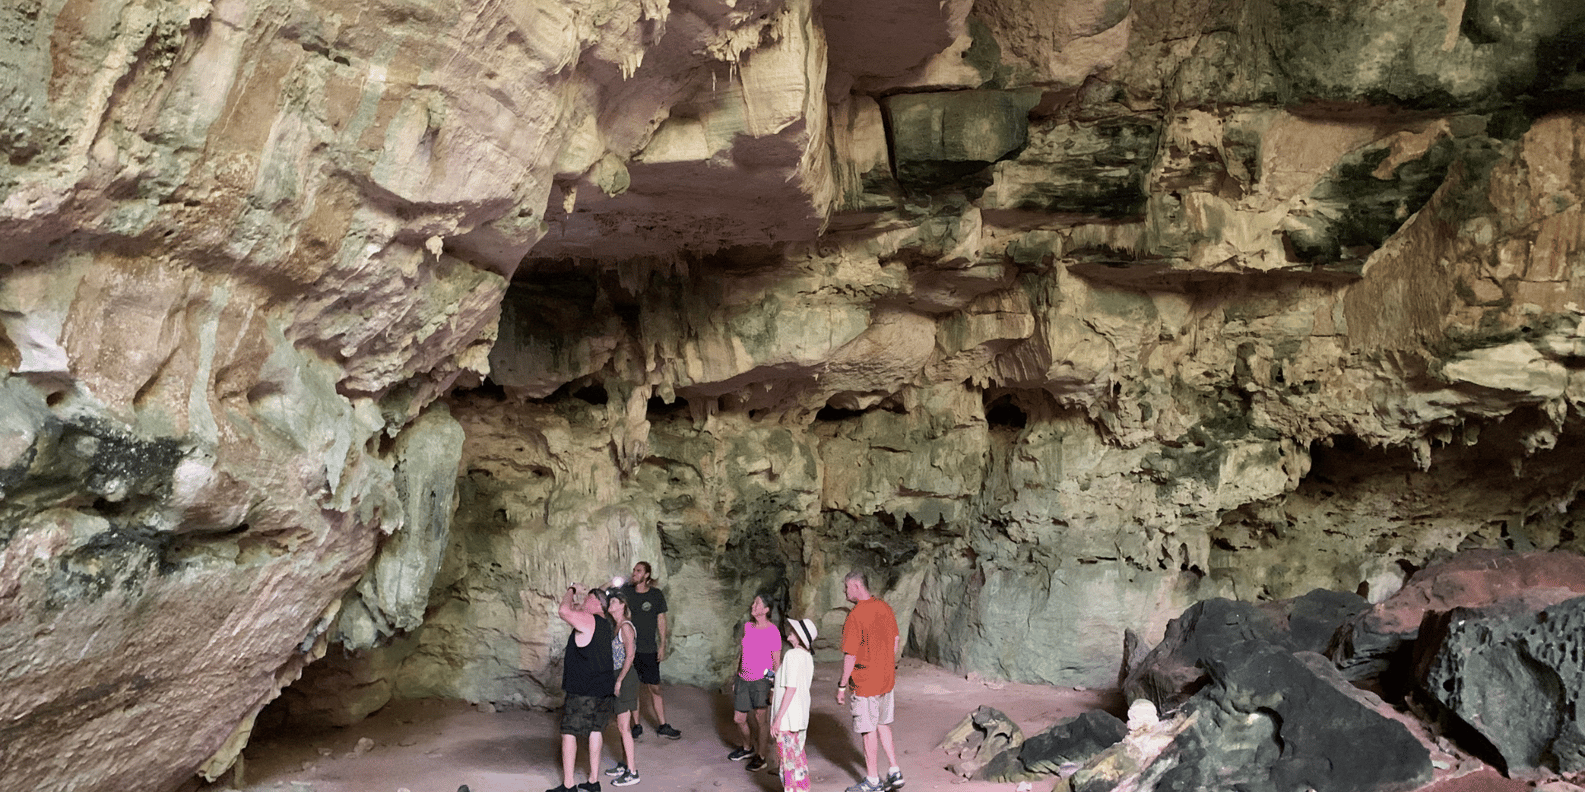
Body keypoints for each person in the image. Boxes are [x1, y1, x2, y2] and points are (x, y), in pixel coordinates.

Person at [836, 570, 904, 792]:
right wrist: (885, 665)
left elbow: (850, 655)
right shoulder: (884, 607)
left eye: (846, 587)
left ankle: (873, 781)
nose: (845, 591)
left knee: (868, 731)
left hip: (865, 683)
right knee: (883, 724)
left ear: (856, 586)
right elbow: (895, 641)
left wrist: (842, 686)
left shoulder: (855, 616)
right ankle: (894, 770)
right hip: (886, 680)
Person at [554, 583, 616, 792]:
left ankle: (568, 785)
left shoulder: (590, 620)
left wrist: (572, 589)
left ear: (596, 602)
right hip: (603, 689)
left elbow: (564, 611)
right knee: (595, 731)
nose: (582, 602)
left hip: (583, 690)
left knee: (568, 732)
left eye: (586, 598)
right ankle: (593, 781)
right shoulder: (605, 624)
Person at [622, 561, 681, 739]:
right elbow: (606, 598)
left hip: (648, 649)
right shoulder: (626, 592)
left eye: (638, 571)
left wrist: (662, 645)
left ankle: (663, 725)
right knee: (633, 688)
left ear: (647, 575)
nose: (634, 573)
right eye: (634, 570)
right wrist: (612, 582)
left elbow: (661, 620)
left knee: (654, 688)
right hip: (630, 649)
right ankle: (636, 725)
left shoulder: (655, 595)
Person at [728, 594, 780, 772]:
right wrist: (737, 677)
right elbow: (742, 655)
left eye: (757, 604)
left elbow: (776, 663)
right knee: (739, 718)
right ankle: (747, 748)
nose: (753, 605)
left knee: (760, 720)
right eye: (753, 603)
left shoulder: (773, 632)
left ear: (766, 610)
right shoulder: (747, 627)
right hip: (743, 679)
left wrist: (772, 686)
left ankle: (761, 756)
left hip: (761, 681)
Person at [770, 618, 817, 792]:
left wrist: (778, 719)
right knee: (798, 760)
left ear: (799, 636)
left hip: (788, 718)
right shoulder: (807, 657)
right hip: (800, 716)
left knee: (788, 765)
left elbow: (791, 689)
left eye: (793, 630)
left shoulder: (792, 655)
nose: (790, 631)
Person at [603, 591, 642, 787]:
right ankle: (625, 764)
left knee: (624, 727)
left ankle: (632, 772)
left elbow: (630, 656)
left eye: (614, 601)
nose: (610, 604)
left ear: (622, 606)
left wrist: (619, 680)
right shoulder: (615, 626)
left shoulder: (625, 627)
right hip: (617, 674)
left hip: (625, 676)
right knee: (621, 725)